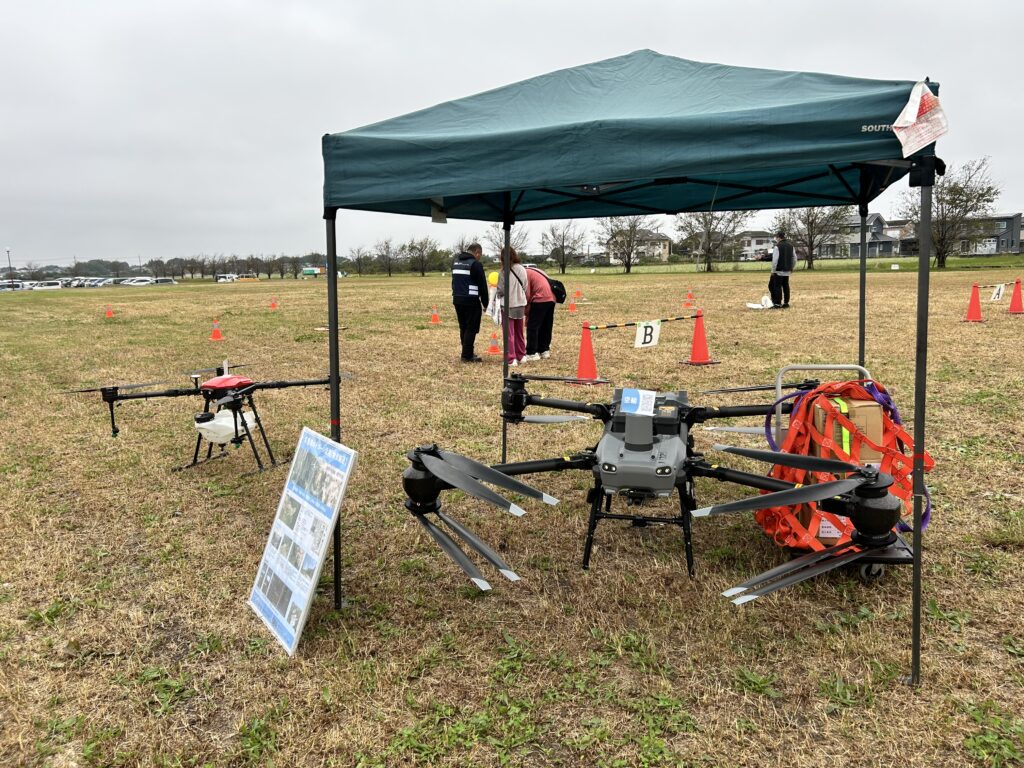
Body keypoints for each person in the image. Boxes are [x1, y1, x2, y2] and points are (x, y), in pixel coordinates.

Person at [451, 243, 488, 362]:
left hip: (457, 299)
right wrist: (486, 303)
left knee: (463, 327)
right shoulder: (475, 264)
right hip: (471, 300)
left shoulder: (456, 262)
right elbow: (482, 285)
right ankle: (467, 355)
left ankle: (466, 352)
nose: (480, 257)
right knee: (471, 328)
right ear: (477, 252)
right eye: (480, 255)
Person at [495, 246, 528, 366]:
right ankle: (521, 355)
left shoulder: (504, 271)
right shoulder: (522, 269)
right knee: (519, 332)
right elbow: (525, 286)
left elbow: (500, 290)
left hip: (508, 305)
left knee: (508, 334)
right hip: (520, 304)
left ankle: (511, 358)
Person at [522, 264, 556, 361]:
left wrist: (526, 310)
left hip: (539, 298)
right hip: (552, 298)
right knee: (546, 325)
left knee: (533, 326)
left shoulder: (525, 274)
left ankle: (532, 352)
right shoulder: (537, 271)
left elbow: (527, 294)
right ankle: (544, 350)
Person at [769, 231, 796, 308]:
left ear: (778, 237)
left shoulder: (777, 246)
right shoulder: (791, 246)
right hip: (787, 270)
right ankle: (786, 303)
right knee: (786, 286)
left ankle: (777, 303)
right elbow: (794, 258)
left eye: (776, 238)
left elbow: (775, 260)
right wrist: (792, 267)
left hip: (778, 270)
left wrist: (773, 270)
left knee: (777, 286)